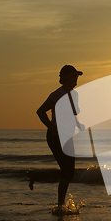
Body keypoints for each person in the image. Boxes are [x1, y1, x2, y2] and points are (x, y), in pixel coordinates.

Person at [37, 65, 83, 208]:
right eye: (74, 75)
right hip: (55, 137)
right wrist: (51, 127)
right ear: (65, 78)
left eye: (77, 76)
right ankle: (60, 205)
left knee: (69, 172)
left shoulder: (74, 94)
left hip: (68, 137)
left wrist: (78, 124)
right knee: (67, 172)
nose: (76, 78)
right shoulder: (56, 94)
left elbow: (72, 113)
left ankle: (36, 177)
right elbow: (40, 111)